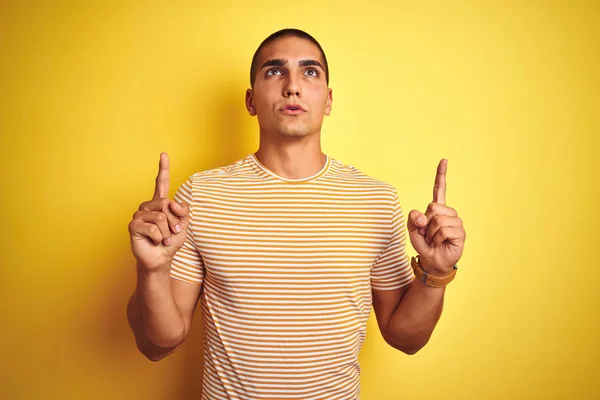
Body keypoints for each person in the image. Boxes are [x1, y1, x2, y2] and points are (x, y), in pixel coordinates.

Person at [127, 28, 466, 400]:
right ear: (251, 99)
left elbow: (405, 339)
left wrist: (435, 273)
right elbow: (158, 344)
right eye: (274, 71)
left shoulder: (375, 200)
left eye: (310, 72)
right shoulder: (202, 195)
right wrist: (153, 271)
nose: (292, 86)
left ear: (329, 99)